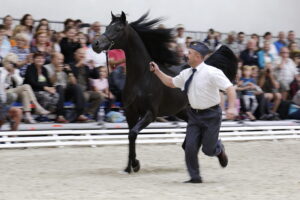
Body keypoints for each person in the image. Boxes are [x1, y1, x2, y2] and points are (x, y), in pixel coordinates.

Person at [150, 42, 236, 183]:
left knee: (208, 150)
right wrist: (157, 71)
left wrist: (231, 107)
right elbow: (171, 82)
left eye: (189, 53)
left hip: (211, 115)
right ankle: (195, 177)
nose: (186, 55)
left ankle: (219, 149)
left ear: (197, 56)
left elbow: (230, 88)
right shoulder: (186, 73)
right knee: (189, 147)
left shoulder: (212, 72)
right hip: (194, 115)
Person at [2, 53, 49, 123]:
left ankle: (27, 115)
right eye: (11, 63)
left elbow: (20, 83)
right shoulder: (1, 70)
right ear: (6, 62)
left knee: (25, 92)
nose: (13, 66)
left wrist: (13, 74)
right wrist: (6, 73)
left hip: (15, 93)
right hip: (4, 93)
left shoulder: (16, 71)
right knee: (26, 86)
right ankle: (37, 106)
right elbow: (1, 83)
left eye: (14, 64)